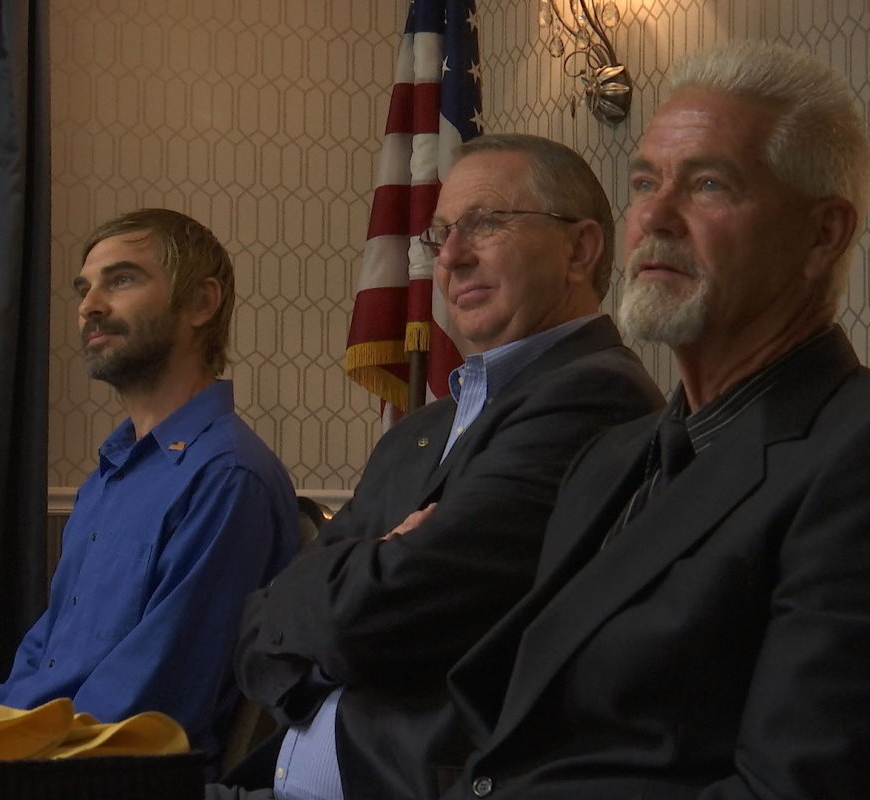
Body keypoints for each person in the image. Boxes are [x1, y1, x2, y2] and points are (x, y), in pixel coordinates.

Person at [441, 41, 870, 799]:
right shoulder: (609, 459)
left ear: (823, 235)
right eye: (645, 182)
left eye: (708, 184)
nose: (655, 217)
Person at [216, 134, 664, 800]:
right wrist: (354, 581)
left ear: (581, 249)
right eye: (441, 233)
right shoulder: (422, 428)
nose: (450, 257)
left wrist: (334, 594)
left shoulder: (595, 397)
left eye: (486, 224)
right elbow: (254, 627)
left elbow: (379, 612)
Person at [0, 209, 298, 774]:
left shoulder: (227, 477)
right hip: (39, 757)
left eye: (121, 280)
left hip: (110, 776)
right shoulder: (108, 475)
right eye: (85, 288)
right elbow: (42, 658)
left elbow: (152, 709)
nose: (89, 306)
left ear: (202, 303)